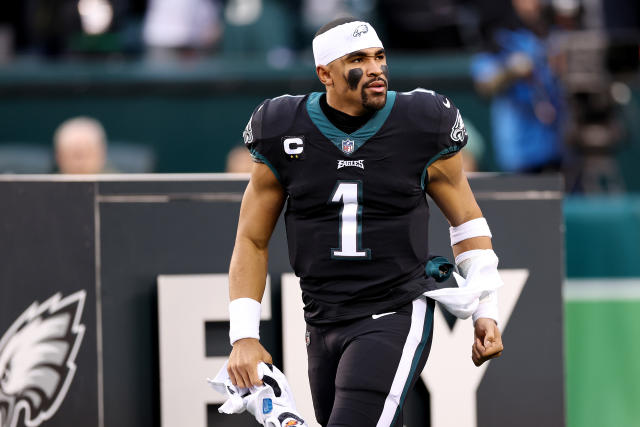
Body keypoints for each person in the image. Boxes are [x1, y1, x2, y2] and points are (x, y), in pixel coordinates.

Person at [226, 17, 504, 426]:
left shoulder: (421, 120)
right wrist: (243, 335)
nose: (375, 68)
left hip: (394, 308)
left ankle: (282, 418)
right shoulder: (283, 128)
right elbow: (251, 239)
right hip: (321, 317)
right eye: (357, 58)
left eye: (379, 56)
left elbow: (466, 222)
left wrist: (487, 308)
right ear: (325, 74)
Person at [471, 0, 565, 173]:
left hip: (559, 145)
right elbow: (484, 85)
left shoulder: (555, 34)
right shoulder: (498, 38)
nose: (535, 3)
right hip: (521, 150)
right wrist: (511, 71)